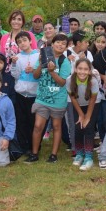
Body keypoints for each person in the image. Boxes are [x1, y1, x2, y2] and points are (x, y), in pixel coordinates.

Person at [25, 34, 72, 163]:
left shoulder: (65, 62)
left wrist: (52, 71)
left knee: (56, 126)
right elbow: (35, 76)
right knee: (38, 126)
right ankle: (34, 153)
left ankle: (53, 155)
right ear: (52, 44)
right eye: (58, 42)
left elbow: (62, 82)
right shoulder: (43, 56)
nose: (60, 45)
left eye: (63, 44)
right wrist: (41, 64)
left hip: (58, 99)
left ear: (66, 47)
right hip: (42, 98)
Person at [10, 31, 40, 154]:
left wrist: (33, 70)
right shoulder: (18, 57)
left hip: (34, 94)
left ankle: (34, 146)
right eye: (19, 42)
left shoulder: (38, 55)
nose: (22, 44)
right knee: (21, 121)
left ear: (30, 41)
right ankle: (24, 146)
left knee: (33, 122)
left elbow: (42, 73)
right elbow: (15, 75)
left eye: (24, 40)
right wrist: (13, 64)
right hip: (21, 93)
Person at [67, 58, 99, 171]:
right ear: (75, 69)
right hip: (77, 105)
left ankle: (89, 157)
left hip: (92, 104)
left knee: (88, 127)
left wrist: (87, 117)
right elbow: (73, 98)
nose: (82, 71)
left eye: (86, 69)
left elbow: (93, 99)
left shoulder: (93, 81)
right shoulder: (70, 80)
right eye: (80, 68)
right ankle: (79, 154)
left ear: (90, 71)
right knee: (78, 127)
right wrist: (81, 115)